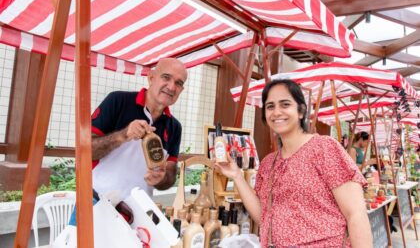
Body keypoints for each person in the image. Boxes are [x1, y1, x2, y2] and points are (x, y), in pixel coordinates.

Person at [215, 79, 372, 247]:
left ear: (301, 111)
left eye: (285, 104)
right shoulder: (268, 163)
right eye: (270, 106)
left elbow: (355, 214)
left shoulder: (324, 148)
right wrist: (237, 176)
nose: (276, 112)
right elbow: (263, 216)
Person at [91, 58, 187, 199]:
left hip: (139, 211)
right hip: (95, 202)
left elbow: (170, 176)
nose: (172, 87)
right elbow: (85, 151)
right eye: (166, 77)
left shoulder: (175, 127)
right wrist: (123, 135)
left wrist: (161, 178)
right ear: (151, 78)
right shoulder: (117, 101)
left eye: (178, 83)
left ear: (181, 90)